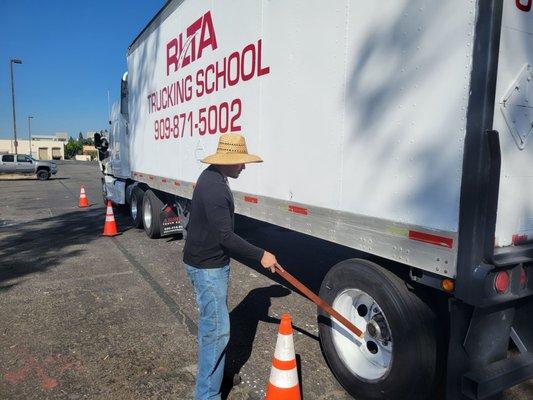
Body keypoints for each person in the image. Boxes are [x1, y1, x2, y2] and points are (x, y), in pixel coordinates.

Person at [183, 133, 282, 400]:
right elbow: (225, 236)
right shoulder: (214, 186)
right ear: (228, 161)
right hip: (207, 269)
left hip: (206, 264)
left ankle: (218, 375)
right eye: (240, 161)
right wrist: (261, 254)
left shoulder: (213, 177)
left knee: (215, 326)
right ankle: (207, 395)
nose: (244, 166)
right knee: (216, 332)